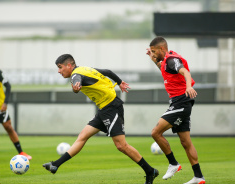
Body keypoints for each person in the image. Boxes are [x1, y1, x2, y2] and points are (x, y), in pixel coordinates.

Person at [43, 54, 159, 184]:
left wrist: (76, 88)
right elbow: (108, 72)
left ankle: (150, 171)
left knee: (121, 145)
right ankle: (56, 165)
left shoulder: (76, 74)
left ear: (69, 65)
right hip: (104, 109)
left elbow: (77, 81)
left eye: (60, 67)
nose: (59, 71)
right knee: (83, 136)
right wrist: (120, 82)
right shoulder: (86, 69)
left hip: (111, 108)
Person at [146, 36, 205, 184]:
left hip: (181, 102)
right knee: (186, 142)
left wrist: (189, 87)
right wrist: (154, 61)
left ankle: (173, 163)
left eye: (154, 51)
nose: (153, 54)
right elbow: (166, 71)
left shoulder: (172, 60)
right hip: (180, 102)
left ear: (162, 49)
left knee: (155, 132)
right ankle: (198, 177)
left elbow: (184, 72)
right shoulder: (166, 62)